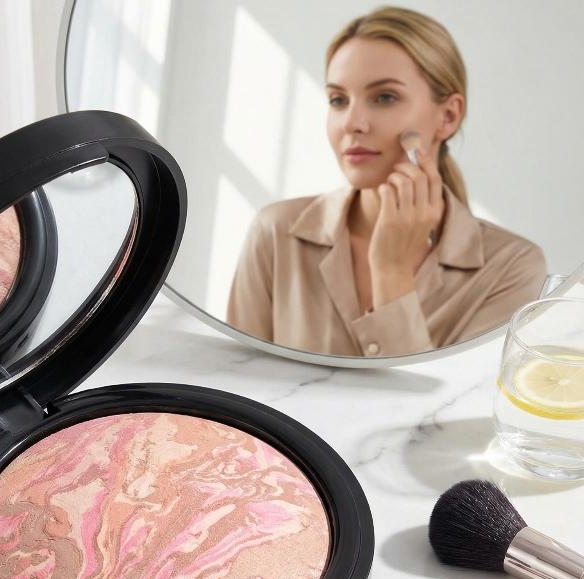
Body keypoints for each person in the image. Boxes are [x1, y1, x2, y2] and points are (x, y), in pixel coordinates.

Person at [226, 6, 547, 357]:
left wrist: (391, 271)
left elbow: (456, 397)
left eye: (384, 97)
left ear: (448, 116)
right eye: (338, 100)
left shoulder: (512, 267)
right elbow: (230, 383)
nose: (352, 123)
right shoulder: (276, 232)